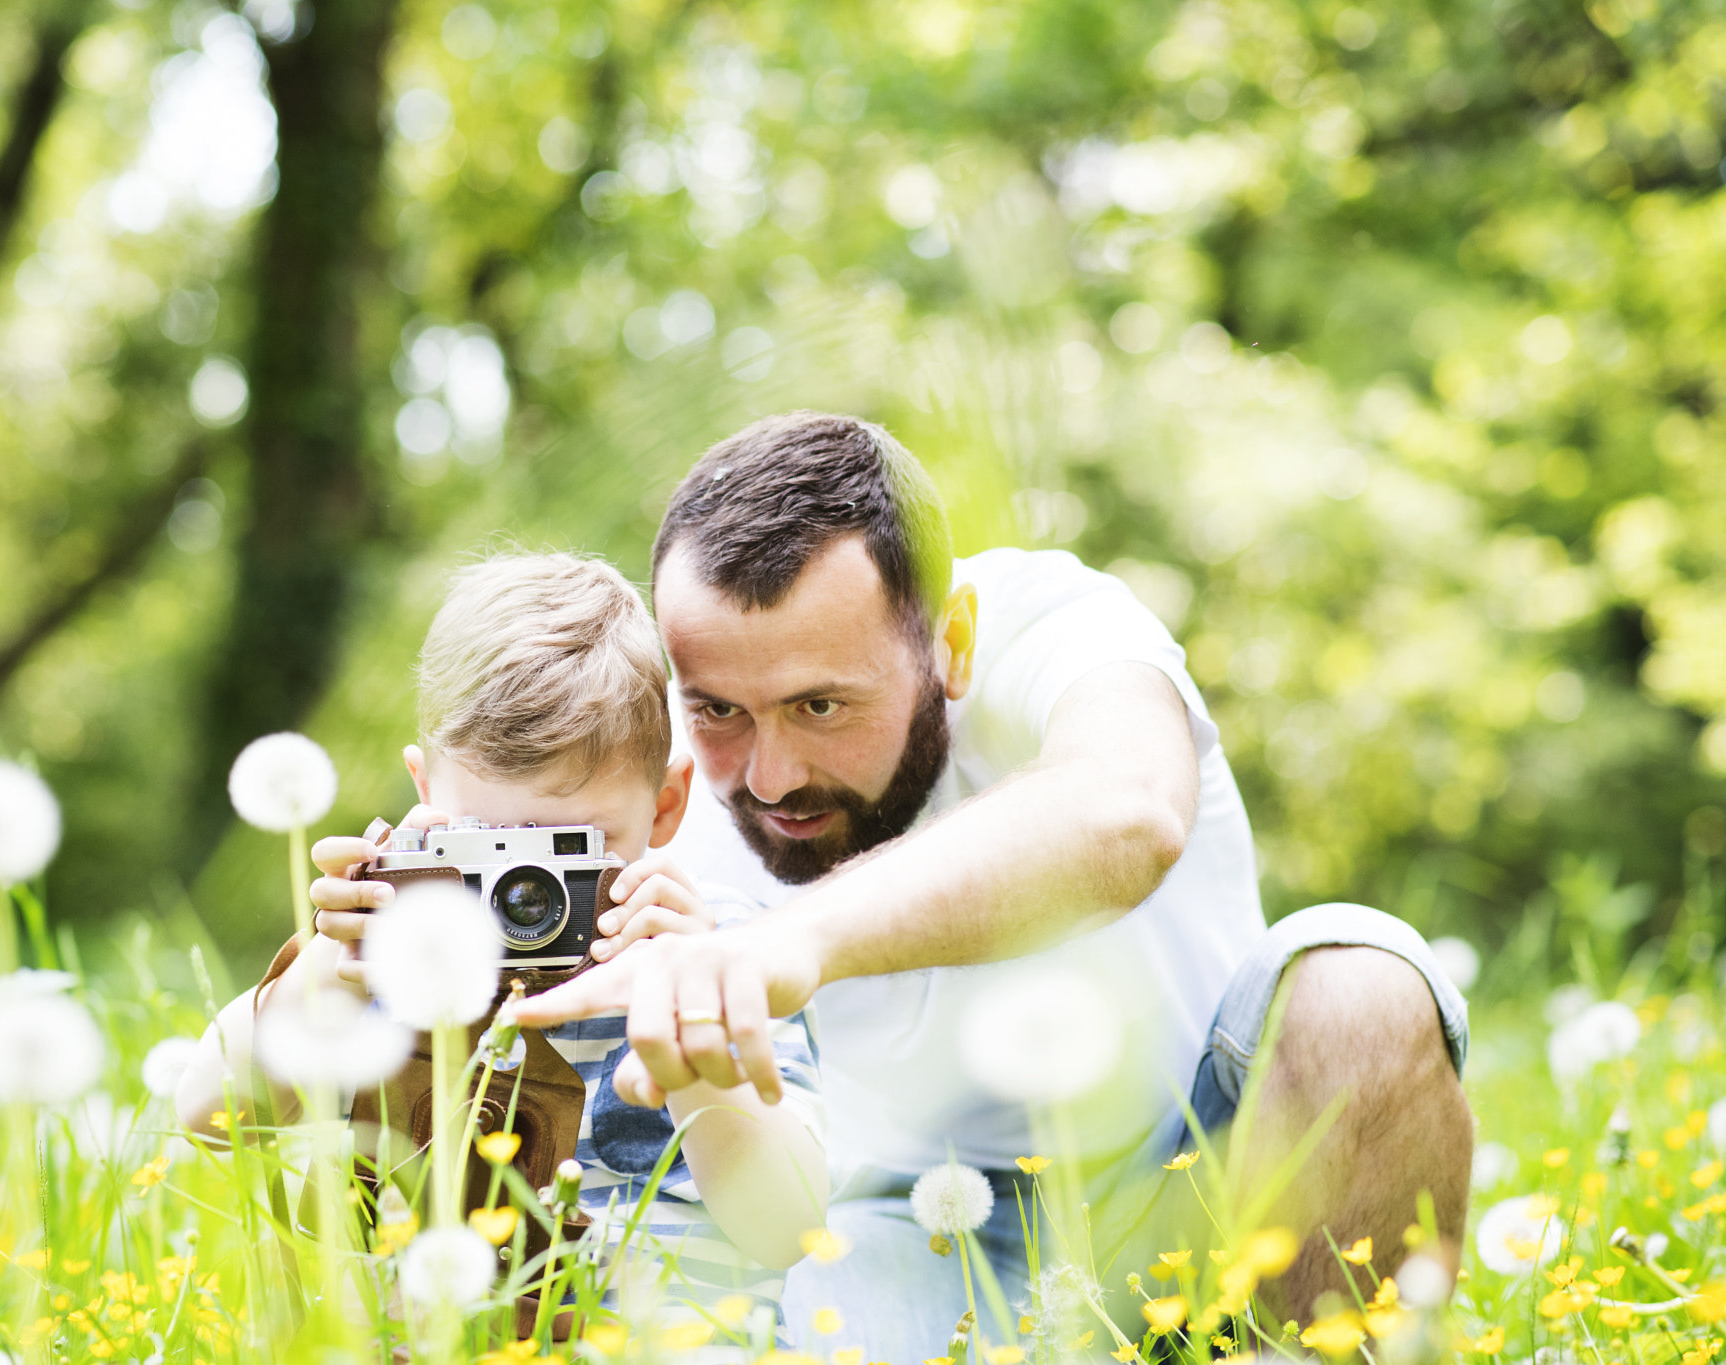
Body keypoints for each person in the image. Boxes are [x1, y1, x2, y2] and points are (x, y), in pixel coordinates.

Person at [505, 413, 1473, 1356]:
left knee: (1361, 988)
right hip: (904, 1241)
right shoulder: (662, 780)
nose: (766, 776)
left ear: (950, 642)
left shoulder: (1049, 622)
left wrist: (789, 944)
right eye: (715, 708)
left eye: (820, 704)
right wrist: (378, 940)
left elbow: (1126, 808)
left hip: (1205, 1173)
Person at [178, 552, 828, 1331]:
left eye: (577, 849)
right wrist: (335, 961)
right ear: (426, 794)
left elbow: (788, 1227)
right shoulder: (400, 940)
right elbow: (211, 1113)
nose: (529, 893)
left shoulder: (722, 944)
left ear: (665, 805)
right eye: (490, 844)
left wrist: (692, 1023)